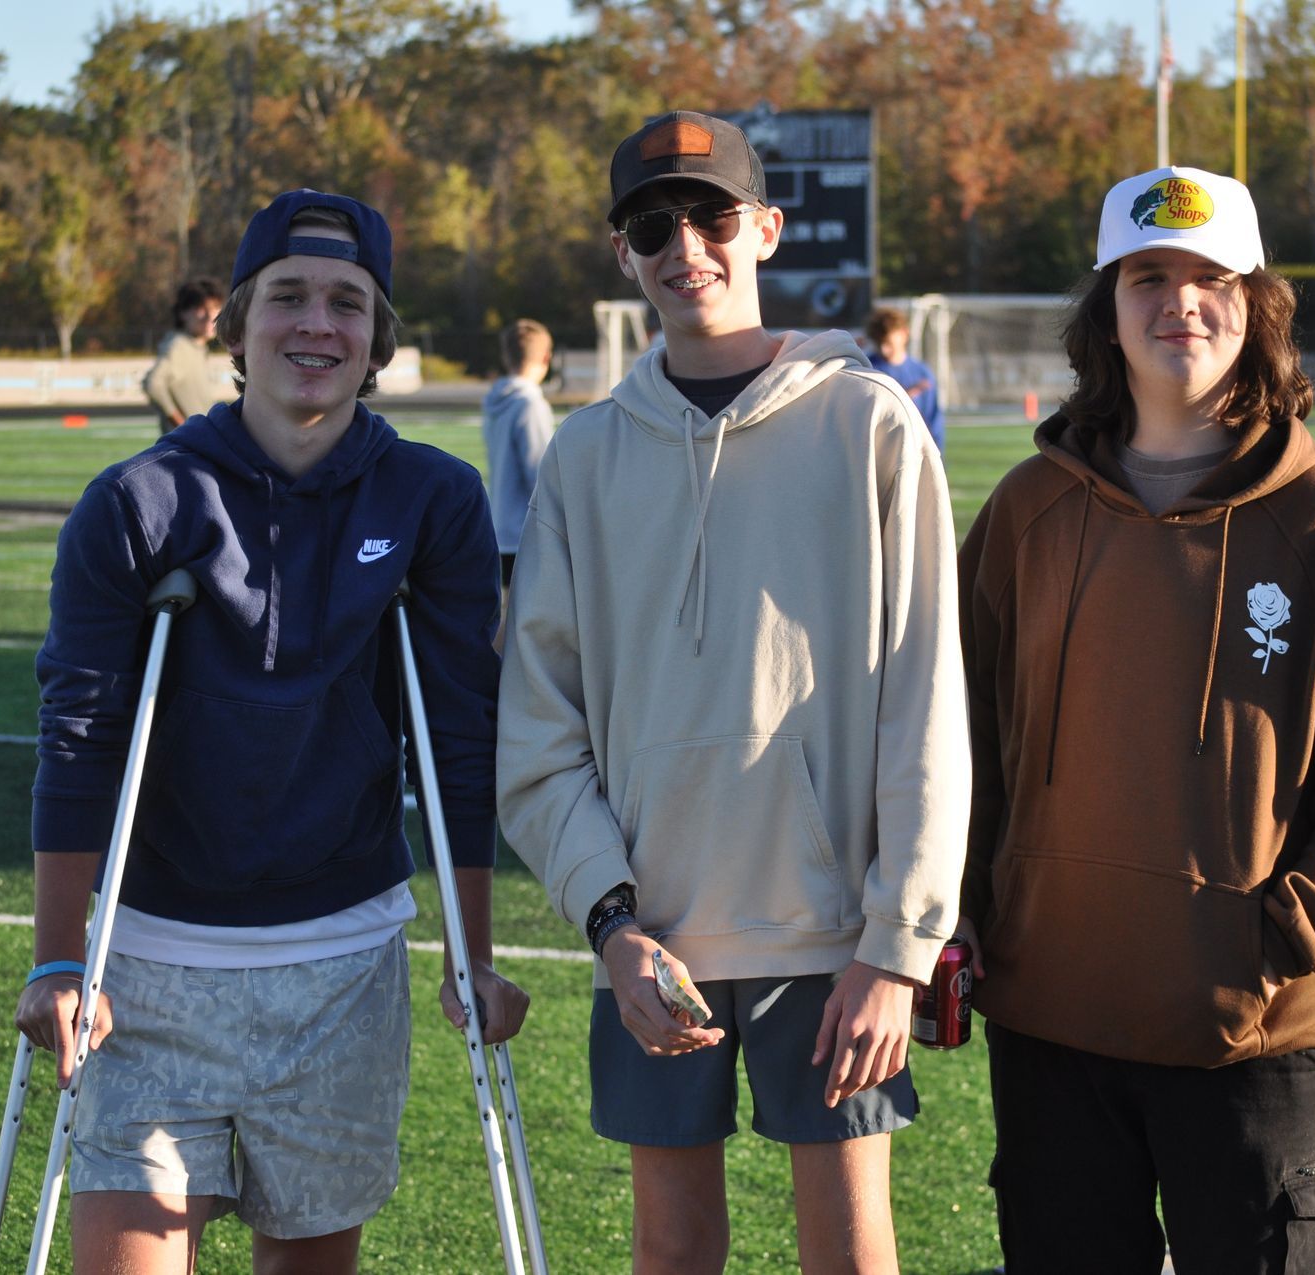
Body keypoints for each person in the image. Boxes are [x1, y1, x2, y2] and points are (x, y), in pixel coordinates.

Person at [19, 188, 527, 1275]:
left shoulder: (434, 500)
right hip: (148, 968)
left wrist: (473, 956)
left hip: (341, 966)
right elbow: (82, 735)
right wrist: (60, 956)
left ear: (378, 340)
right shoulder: (137, 502)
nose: (317, 324)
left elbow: (458, 741)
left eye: (348, 303)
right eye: (288, 296)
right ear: (237, 323)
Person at [497, 110, 970, 1274]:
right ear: (623, 252)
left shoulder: (870, 423)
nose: (685, 246)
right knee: (670, 1250)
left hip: (836, 941)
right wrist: (612, 925)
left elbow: (928, 702)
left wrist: (898, 944)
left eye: (710, 215)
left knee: (849, 1251)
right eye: (652, 224)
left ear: (765, 228)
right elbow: (539, 729)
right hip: (653, 943)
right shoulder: (585, 456)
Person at [957, 166, 1315, 1274]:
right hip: (1050, 1018)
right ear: (1106, 310)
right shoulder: (1028, 510)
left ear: (1255, 303)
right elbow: (957, 736)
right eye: (1148, 276)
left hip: (1249, 1033)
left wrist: (1285, 942)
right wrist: (962, 906)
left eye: (1211, 278)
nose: (1180, 301)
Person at [481, 319, 556, 591]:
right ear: (546, 357)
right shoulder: (530, 403)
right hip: (526, 534)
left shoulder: (494, 401)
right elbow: (540, 474)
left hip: (500, 527)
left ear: (506, 356)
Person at [143, 277, 229, 434]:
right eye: (201, 309)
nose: (210, 316)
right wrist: (182, 426)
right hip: (189, 445)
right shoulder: (178, 345)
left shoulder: (197, 346)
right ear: (183, 313)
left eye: (215, 308)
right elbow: (153, 384)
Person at [864, 307, 945, 452]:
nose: (883, 349)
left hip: (913, 451)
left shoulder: (922, 373)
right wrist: (902, 397)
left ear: (904, 334)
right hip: (878, 453)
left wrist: (937, 454)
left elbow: (933, 420)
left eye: (888, 343)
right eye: (878, 343)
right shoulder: (866, 369)